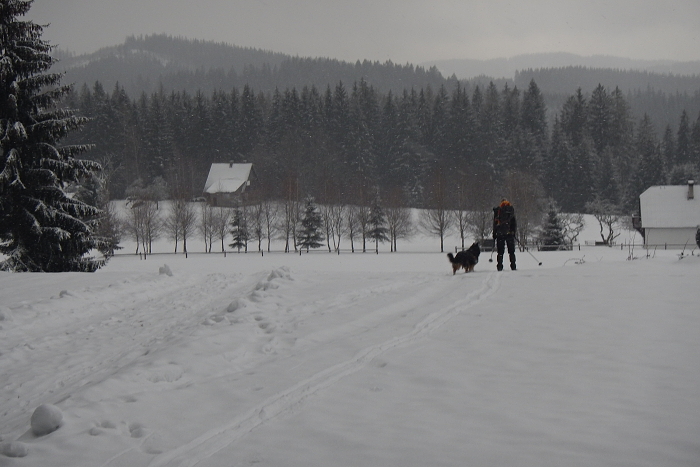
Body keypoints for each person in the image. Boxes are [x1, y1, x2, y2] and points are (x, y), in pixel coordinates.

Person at [493, 198, 517, 271]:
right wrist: (513, 232)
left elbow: (495, 224)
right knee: (511, 251)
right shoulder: (511, 211)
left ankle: (499, 266)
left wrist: (494, 233)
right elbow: (514, 223)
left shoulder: (498, 211)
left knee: (500, 251)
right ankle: (513, 265)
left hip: (500, 233)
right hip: (509, 233)